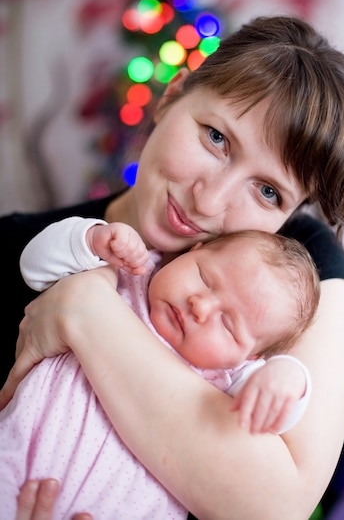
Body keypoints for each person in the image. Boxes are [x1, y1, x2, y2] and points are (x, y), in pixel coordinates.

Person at [0, 15, 344, 520]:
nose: (209, 200)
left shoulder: (296, 268)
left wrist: (85, 310)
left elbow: (276, 505)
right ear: (172, 94)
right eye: (217, 138)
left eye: (268, 192)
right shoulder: (19, 245)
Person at [0, 219, 319, 519]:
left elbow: (276, 416)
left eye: (227, 323)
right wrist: (92, 238)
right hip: (16, 458)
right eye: (204, 278)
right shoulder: (127, 273)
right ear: (193, 251)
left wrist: (288, 376)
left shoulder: (228, 378)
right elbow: (34, 267)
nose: (201, 306)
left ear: (250, 357)